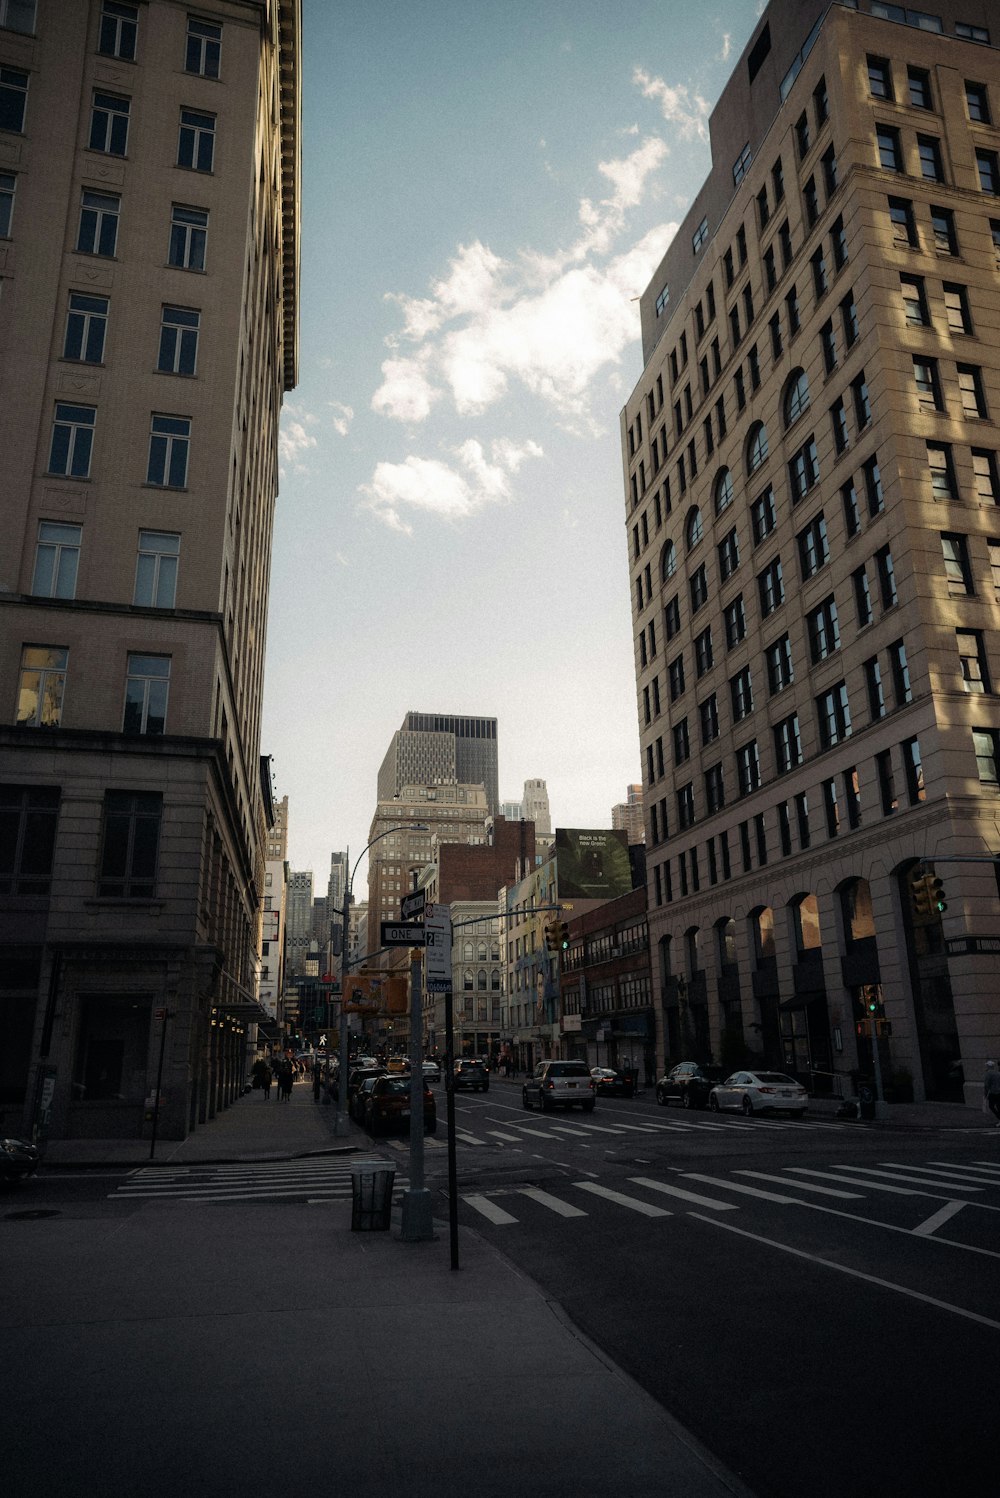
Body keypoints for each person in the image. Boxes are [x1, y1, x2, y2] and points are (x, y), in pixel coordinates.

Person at [985, 1060, 1000, 1124]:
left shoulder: (988, 1074)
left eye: (987, 1065)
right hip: (999, 1091)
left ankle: (999, 1117)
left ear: (988, 1066)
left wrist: (986, 1094)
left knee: (991, 1106)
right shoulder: (997, 1073)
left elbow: (987, 1085)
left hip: (993, 1092)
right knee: (998, 1106)